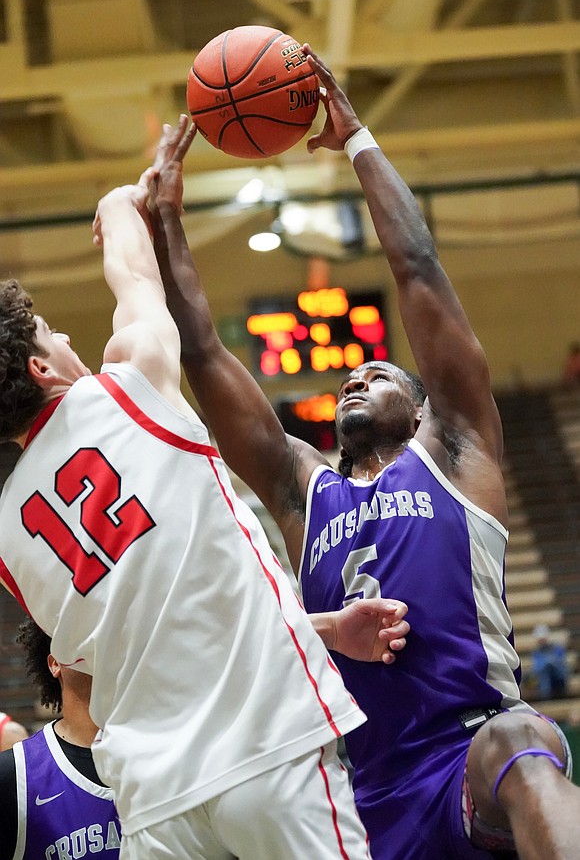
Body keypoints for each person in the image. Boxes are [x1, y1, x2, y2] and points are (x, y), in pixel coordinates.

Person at [150, 47, 580, 860]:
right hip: (349, 792)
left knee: (522, 738)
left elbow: (416, 265)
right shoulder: (300, 487)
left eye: (379, 372)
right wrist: (167, 220)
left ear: (421, 408)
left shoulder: (454, 452)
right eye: (352, 372)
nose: (355, 374)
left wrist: (356, 141)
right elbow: (202, 352)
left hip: (464, 760)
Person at [0, 116, 409, 860]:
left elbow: (141, 638)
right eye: (54, 335)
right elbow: (134, 281)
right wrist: (127, 202)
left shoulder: (5, 538)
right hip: (269, 745)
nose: (65, 342)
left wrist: (324, 629)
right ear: (38, 368)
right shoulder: (128, 385)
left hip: (156, 803)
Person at [0, 618, 120, 860]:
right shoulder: (14, 774)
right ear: (55, 662)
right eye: (84, 635)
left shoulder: (169, 754)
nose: (98, 644)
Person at [530, 623, 570, 700]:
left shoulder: (557, 648)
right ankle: (546, 696)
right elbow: (537, 668)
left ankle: (547, 695)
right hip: (546, 677)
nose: (542, 641)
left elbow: (562, 664)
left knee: (548, 665)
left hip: (558, 677)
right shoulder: (536, 652)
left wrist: (550, 663)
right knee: (545, 668)